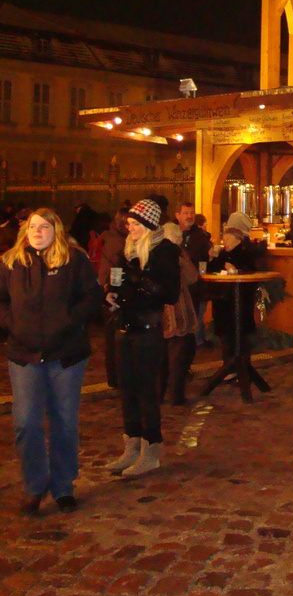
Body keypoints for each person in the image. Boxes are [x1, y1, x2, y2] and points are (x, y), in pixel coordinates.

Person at [0, 208, 103, 515]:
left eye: (44, 226)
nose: (38, 231)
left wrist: (69, 320)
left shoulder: (74, 260)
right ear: (24, 230)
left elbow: (91, 296)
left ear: (56, 229)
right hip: (24, 353)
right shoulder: (10, 262)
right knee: (26, 422)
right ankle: (34, 486)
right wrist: (12, 322)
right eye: (33, 226)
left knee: (64, 421)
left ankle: (63, 486)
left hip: (66, 354)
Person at [105, 198, 180, 478]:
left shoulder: (164, 251)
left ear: (149, 225)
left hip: (148, 328)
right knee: (127, 389)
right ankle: (131, 446)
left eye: (136, 224)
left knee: (147, 389)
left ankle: (151, 449)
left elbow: (170, 293)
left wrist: (140, 280)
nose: (130, 228)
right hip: (125, 325)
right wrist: (111, 290)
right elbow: (120, 281)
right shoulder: (128, 249)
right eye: (129, 224)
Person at [159, 223, 199, 406]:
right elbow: (192, 277)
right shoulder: (177, 254)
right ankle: (176, 395)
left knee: (160, 354)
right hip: (176, 307)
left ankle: (159, 393)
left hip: (159, 309)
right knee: (177, 354)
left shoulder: (153, 252)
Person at [207, 224, 258, 366]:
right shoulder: (222, 255)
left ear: (238, 240)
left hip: (239, 302)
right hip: (222, 301)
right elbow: (212, 271)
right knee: (225, 336)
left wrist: (236, 270)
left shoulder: (245, 255)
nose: (225, 242)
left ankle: (243, 367)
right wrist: (211, 260)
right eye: (224, 239)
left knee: (240, 336)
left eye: (228, 239)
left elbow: (252, 273)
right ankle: (228, 366)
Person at [97, 206, 130, 388]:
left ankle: (115, 378)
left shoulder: (113, 239)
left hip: (110, 293)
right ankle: (116, 378)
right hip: (112, 296)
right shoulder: (118, 244)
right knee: (114, 340)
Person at [175, 201, 211, 347]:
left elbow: (205, 257)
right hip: (177, 283)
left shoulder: (200, 235)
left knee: (196, 314)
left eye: (192, 213)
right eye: (186, 213)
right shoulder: (172, 232)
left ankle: (195, 343)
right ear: (177, 215)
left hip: (196, 282)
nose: (190, 216)